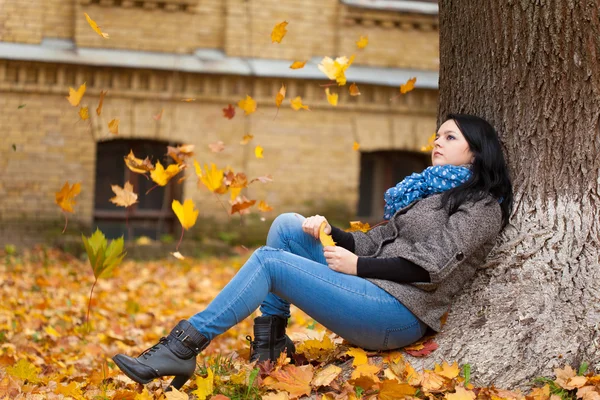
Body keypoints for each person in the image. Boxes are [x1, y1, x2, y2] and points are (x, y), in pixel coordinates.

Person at [112, 113, 513, 391]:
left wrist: (358, 266)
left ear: (476, 152)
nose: (436, 144)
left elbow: (433, 268)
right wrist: (329, 231)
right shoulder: (427, 192)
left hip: (399, 314)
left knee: (268, 263)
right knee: (288, 224)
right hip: (371, 292)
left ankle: (181, 347)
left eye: (449, 137)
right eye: (437, 136)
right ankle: (270, 348)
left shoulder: (480, 206)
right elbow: (375, 240)